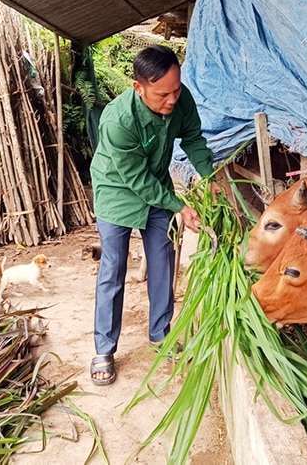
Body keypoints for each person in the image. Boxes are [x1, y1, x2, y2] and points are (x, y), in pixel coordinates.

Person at [88, 44, 216, 385]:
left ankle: (161, 334)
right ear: (138, 87)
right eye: (162, 94)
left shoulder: (180, 98)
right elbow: (135, 179)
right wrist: (179, 205)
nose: (171, 100)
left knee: (163, 260)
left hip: (155, 185)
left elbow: (194, 140)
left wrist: (212, 178)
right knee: (113, 266)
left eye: (175, 90)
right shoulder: (118, 120)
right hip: (116, 190)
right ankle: (104, 348)